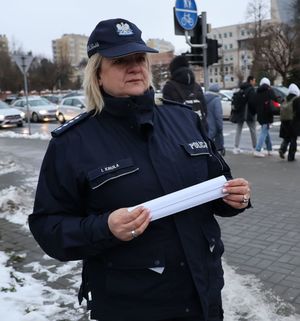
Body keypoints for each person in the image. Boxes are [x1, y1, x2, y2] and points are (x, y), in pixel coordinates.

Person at [29, 18, 251, 321]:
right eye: (121, 61)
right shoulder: (72, 143)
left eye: (139, 58)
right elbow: (48, 228)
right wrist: (105, 228)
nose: (135, 67)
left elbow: (216, 186)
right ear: (97, 74)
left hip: (204, 297)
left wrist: (233, 198)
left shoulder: (183, 120)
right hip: (132, 307)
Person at [162, 55, 208, 131]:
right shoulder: (197, 86)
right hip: (200, 132)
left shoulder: (169, 87)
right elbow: (205, 111)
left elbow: (167, 115)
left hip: (181, 133)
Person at [232, 76, 257, 154]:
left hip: (240, 112)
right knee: (253, 130)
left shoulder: (241, 88)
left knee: (238, 130)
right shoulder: (251, 90)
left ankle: (236, 147)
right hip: (249, 113)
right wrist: (254, 112)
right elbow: (252, 102)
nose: (255, 82)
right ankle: (255, 147)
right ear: (251, 81)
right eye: (254, 80)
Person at [253, 77, 278, 157]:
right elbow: (275, 100)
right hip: (267, 114)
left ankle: (269, 149)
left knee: (266, 132)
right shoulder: (269, 91)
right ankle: (257, 150)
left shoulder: (257, 92)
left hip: (260, 114)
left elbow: (254, 103)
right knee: (264, 132)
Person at [279, 83, 300, 161]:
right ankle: (291, 156)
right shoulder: (297, 99)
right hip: (293, 122)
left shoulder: (285, 98)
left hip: (284, 121)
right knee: (293, 139)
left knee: (287, 137)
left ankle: (282, 149)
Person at [204, 83, 225, 156]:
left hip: (205, 126)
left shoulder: (203, 98)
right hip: (214, 128)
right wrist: (220, 127)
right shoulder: (216, 100)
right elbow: (218, 115)